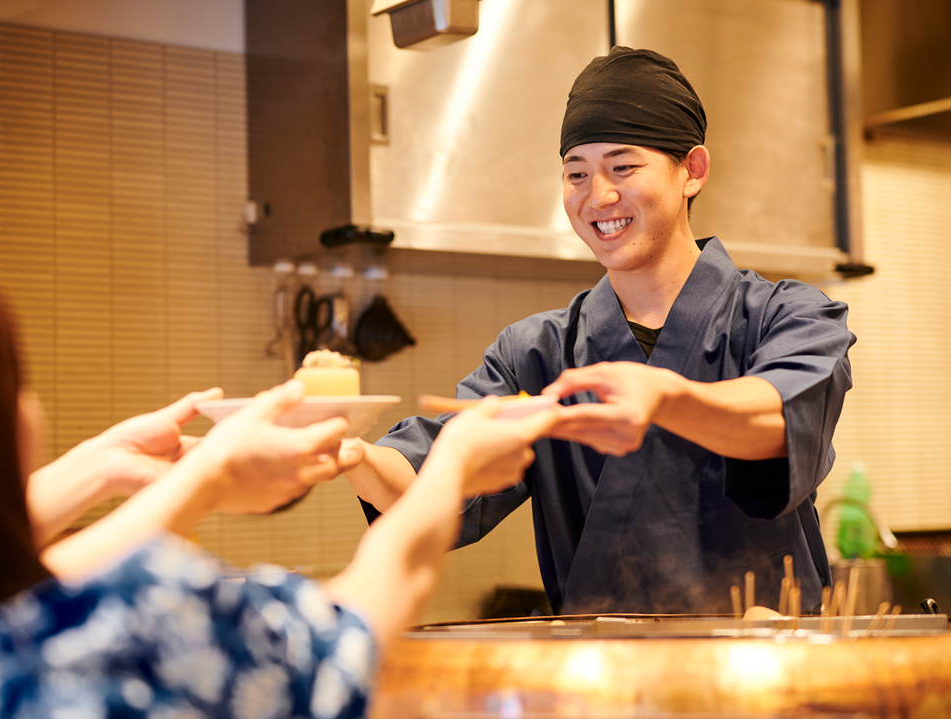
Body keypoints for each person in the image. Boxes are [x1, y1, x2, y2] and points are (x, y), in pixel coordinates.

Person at [0, 260, 556, 719]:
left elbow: (23, 577)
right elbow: (354, 630)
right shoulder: (137, 613)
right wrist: (452, 467)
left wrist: (120, 468)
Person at [341, 47, 856, 615]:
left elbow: (778, 420)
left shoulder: (789, 317)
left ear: (693, 171)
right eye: (577, 174)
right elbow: (434, 480)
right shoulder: (535, 355)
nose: (599, 196)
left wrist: (663, 397)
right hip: (604, 685)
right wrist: (350, 453)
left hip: (769, 683)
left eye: (624, 167)